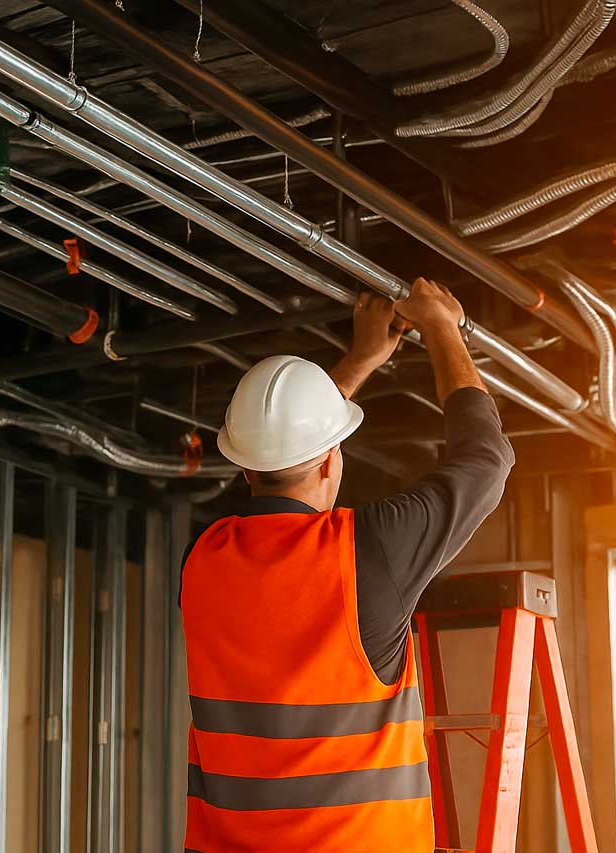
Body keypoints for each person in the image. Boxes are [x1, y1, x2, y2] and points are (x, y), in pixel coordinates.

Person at [179, 277, 515, 852]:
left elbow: (286, 455)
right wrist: (441, 325)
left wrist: (359, 362)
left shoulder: (202, 559)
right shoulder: (366, 551)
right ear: (333, 461)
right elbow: (486, 460)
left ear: (244, 469)